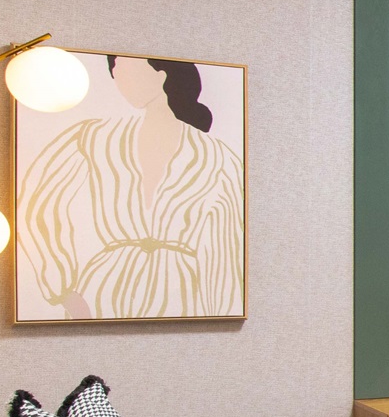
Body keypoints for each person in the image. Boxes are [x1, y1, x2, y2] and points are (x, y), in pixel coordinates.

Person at [21, 56, 245, 319]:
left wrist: (219, 316)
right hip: (101, 292)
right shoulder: (94, 138)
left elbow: (226, 248)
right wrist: (63, 292)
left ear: (161, 74)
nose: (118, 77)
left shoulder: (217, 157)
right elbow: (40, 208)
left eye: (127, 69)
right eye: (115, 71)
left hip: (183, 297)